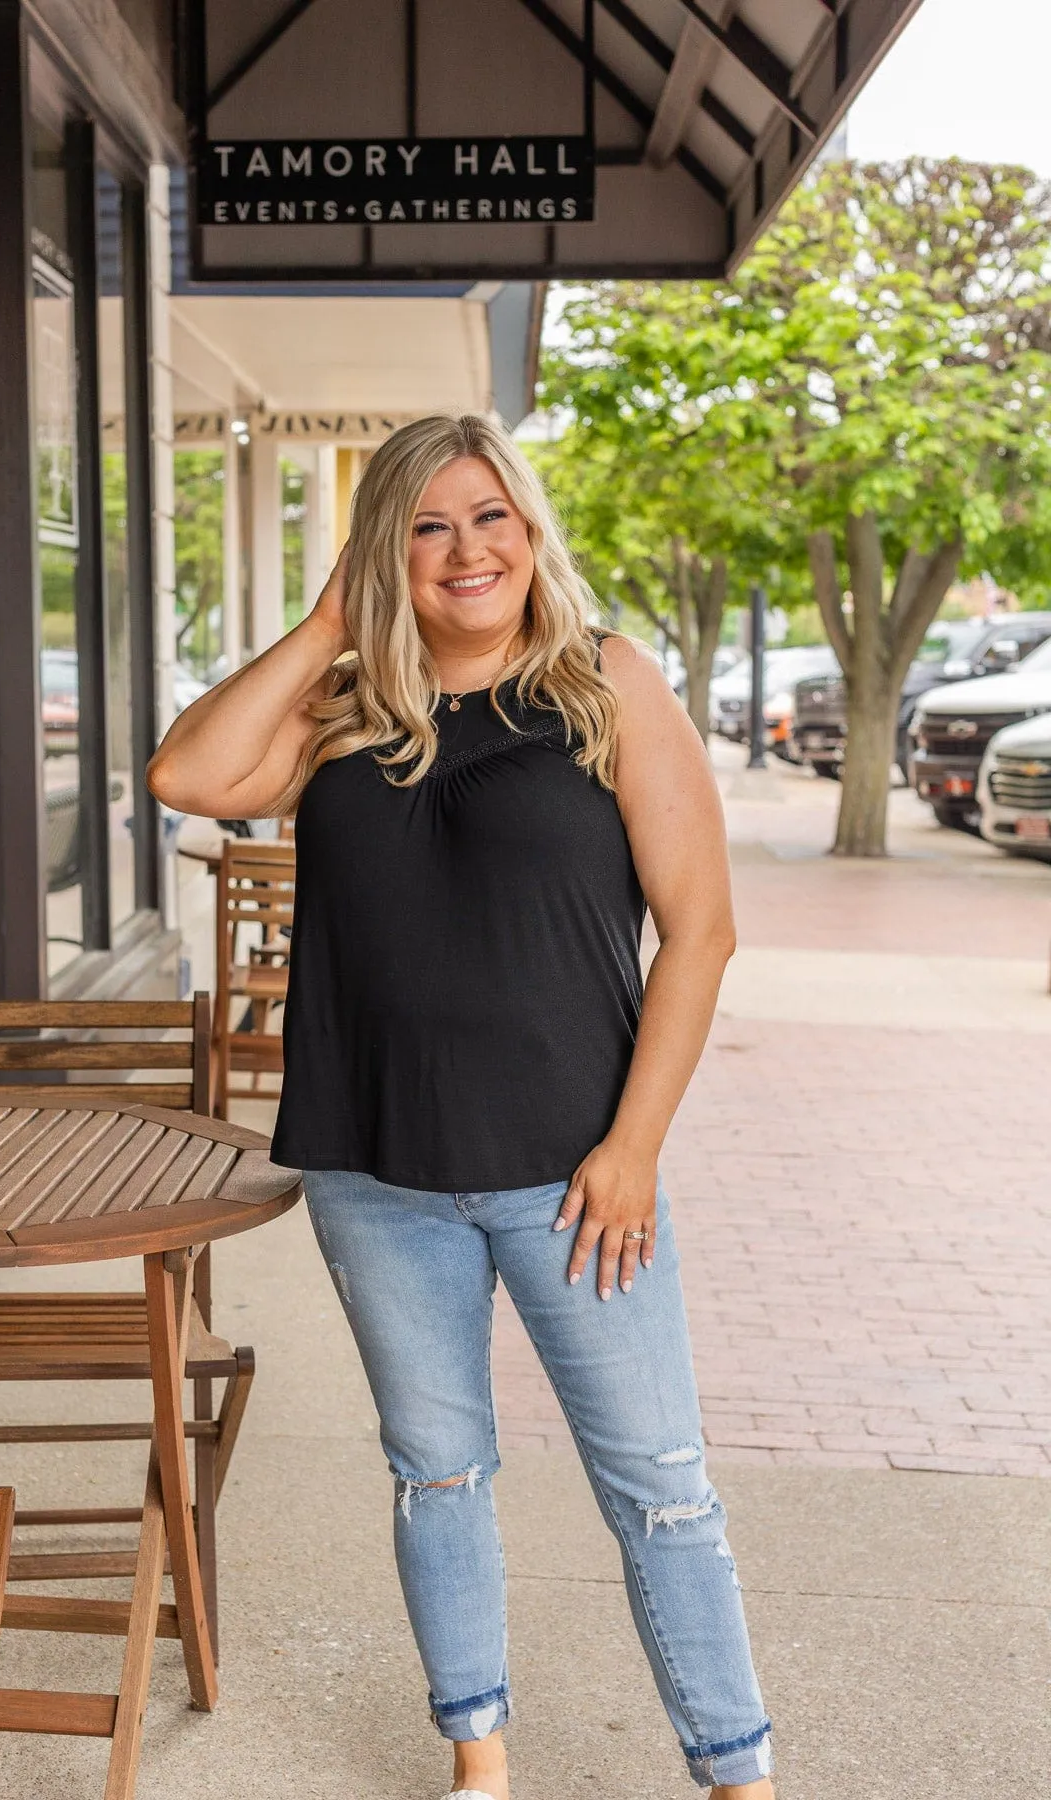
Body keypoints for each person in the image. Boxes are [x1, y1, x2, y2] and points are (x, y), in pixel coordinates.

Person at [148, 413, 774, 1800]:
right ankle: (478, 1762)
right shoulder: (344, 708)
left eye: (489, 515)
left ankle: (739, 1775)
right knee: (438, 1473)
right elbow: (185, 775)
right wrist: (330, 621)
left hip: (575, 1177)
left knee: (661, 1487)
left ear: (531, 526)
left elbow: (704, 930)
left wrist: (632, 1149)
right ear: (390, 551)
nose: (465, 549)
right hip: (379, 1179)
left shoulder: (609, 685)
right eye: (426, 525)